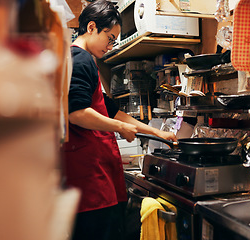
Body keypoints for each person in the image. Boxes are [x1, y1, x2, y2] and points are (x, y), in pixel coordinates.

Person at [61, 1, 177, 240]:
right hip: (90, 182)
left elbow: (111, 110)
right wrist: (120, 128)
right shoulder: (80, 59)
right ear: (91, 27)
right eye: (109, 37)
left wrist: (158, 133)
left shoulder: (84, 61)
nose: (111, 45)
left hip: (94, 176)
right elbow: (77, 112)